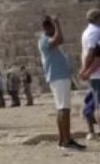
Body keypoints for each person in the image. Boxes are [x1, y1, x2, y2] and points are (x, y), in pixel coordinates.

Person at [39, 16, 85, 150]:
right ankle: (67, 141)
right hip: (58, 78)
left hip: (60, 77)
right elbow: (60, 39)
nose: (55, 30)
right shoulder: (44, 41)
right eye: (52, 27)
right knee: (64, 109)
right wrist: (58, 24)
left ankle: (63, 139)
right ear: (48, 28)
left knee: (62, 109)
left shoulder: (47, 41)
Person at [80, 9, 100, 118]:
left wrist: (84, 70)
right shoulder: (96, 32)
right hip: (97, 72)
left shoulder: (87, 32)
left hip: (93, 73)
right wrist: (86, 70)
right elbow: (93, 54)